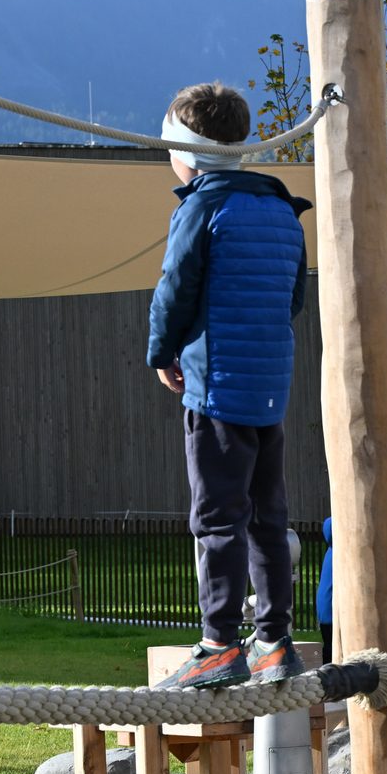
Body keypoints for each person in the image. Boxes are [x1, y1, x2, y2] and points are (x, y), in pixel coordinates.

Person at [147, 81, 312, 691]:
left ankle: (218, 642)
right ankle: (274, 640)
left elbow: (175, 288)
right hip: (270, 384)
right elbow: (293, 297)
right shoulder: (280, 208)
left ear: (184, 150)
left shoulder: (200, 206)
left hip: (215, 386)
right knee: (268, 516)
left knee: (216, 517)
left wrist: (162, 352)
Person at [316, 516, 334, 659]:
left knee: (329, 648)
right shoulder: (340, 554)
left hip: (326, 613)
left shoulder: (330, 552)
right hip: (332, 612)